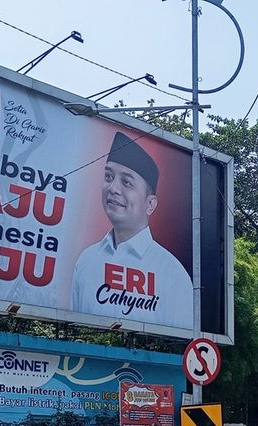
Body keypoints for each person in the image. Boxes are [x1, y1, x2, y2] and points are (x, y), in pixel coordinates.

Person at [70, 132, 193, 328]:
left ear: (150, 204)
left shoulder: (173, 274)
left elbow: (181, 342)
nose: (113, 188)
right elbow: (74, 328)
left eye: (126, 182)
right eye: (109, 176)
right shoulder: (87, 259)